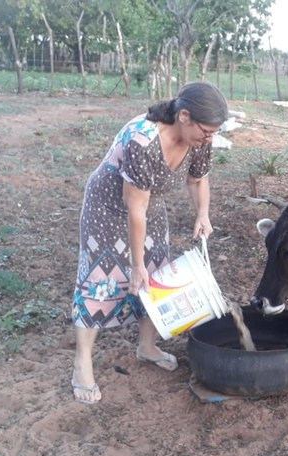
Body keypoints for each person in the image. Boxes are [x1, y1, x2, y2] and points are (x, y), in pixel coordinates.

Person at [70, 82, 229, 404]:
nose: (210, 137)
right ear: (184, 116)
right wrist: (135, 263)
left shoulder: (199, 139)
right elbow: (134, 208)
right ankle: (81, 364)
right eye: (207, 130)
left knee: (155, 277)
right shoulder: (143, 140)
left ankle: (146, 346)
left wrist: (202, 214)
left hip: (149, 207)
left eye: (215, 132)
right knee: (101, 282)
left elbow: (197, 180)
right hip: (108, 209)